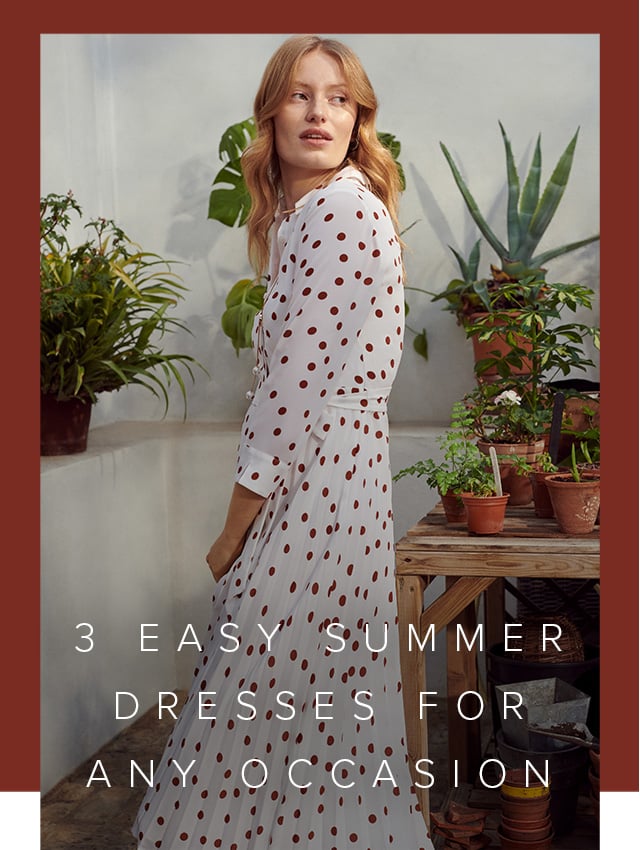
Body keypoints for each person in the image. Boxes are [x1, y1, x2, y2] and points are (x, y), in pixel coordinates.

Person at [133, 34, 434, 850]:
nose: (320, 112)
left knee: (260, 693)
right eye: (302, 94)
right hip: (333, 485)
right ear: (270, 114)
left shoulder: (338, 210)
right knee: (300, 704)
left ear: (358, 118)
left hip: (320, 492)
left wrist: (233, 531)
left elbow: (290, 394)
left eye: (339, 98)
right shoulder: (314, 213)